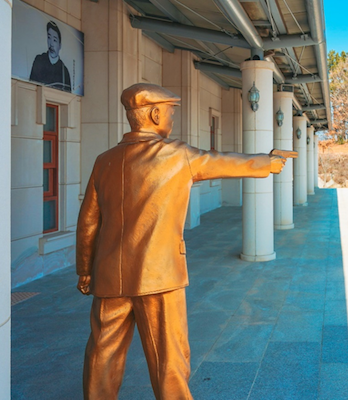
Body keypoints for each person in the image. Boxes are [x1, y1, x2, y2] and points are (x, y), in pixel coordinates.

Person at [76, 83, 288, 399]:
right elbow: (221, 161)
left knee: (101, 356)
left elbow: (88, 222)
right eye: (170, 112)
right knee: (169, 362)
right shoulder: (175, 155)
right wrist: (267, 163)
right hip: (159, 277)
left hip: (109, 276)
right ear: (154, 113)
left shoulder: (104, 161)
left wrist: (85, 269)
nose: (172, 118)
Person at [29, 21, 71, 92]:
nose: (51, 44)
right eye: (49, 37)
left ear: (60, 45)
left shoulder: (64, 71)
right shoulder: (39, 60)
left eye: (54, 40)